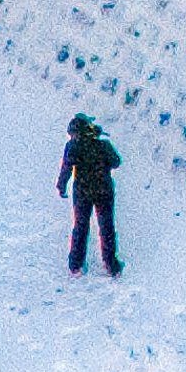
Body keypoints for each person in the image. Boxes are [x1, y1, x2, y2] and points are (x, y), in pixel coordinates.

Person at [58, 112, 123, 279]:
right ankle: (111, 266)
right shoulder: (103, 144)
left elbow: (66, 167)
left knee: (80, 227)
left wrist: (61, 185)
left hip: (83, 193)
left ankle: (76, 265)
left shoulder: (73, 146)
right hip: (104, 191)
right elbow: (116, 162)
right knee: (106, 227)